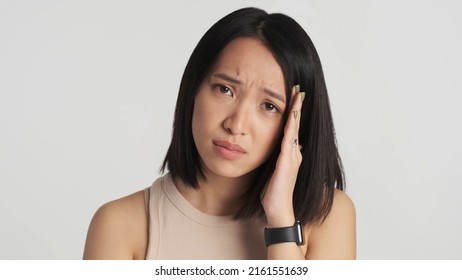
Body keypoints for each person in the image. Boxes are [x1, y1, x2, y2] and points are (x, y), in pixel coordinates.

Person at [83, 7, 356, 260]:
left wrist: (281, 219)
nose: (236, 125)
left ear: (297, 120)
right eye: (225, 89)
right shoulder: (119, 225)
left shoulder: (326, 216)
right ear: (193, 88)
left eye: (269, 106)